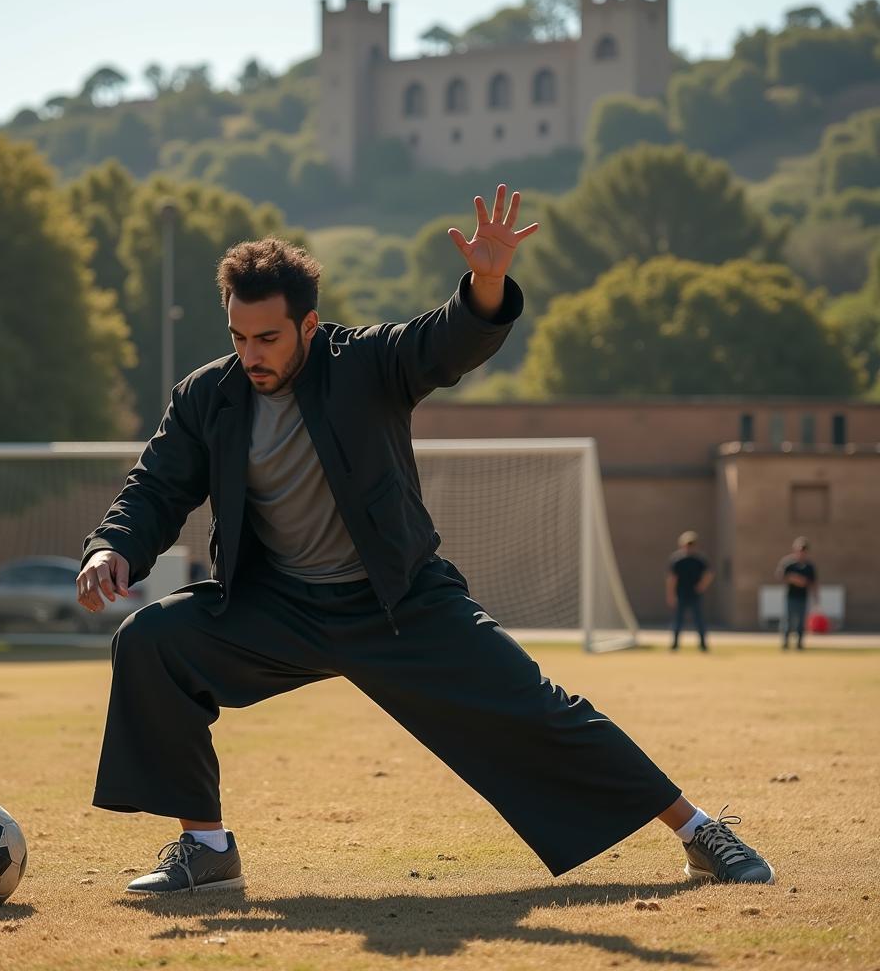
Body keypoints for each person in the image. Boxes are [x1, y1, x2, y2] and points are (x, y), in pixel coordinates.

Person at [77, 185, 775, 895]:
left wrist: (486, 286)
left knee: (538, 707)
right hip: (278, 608)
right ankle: (207, 849)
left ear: (309, 325)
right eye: (238, 337)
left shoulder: (366, 364)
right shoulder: (208, 396)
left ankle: (700, 833)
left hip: (397, 604)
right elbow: (156, 487)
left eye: (268, 338)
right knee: (150, 641)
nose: (250, 354)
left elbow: (443, 341)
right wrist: (114, 547)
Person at [666, 531, 714, 651]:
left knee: (699, 620)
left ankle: (703, 645)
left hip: (695, 594)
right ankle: (675, 645)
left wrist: (702, 586)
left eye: (692, 544)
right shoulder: (677, 560)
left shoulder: (699, 560)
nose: (689, 546)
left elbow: (709, 574)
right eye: (687, 544)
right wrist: (671, 595)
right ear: (682, 545)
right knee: (678, 620)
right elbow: (672, 579)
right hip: (681, 593)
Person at [776, 537, 818, 650]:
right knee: (788, 620)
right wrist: (794, 579)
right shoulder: (789, 563)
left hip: (803, 597)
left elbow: (813, 582)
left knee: (801, 621)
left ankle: (799, 644)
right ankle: (785, 643)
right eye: (799, 550)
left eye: (803, 550)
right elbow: (781, 576)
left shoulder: (809, 566)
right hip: (790, 596)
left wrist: (816, 597)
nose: (801, 553)